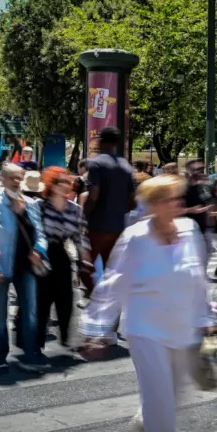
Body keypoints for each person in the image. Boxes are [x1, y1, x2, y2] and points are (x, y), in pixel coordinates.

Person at [79, 175, 215, 432]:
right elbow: (114, 282)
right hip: (145, 329)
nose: (175, 204)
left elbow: (198, 278)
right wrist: (97, 329)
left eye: (177, 198)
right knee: (161, 400)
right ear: (152, 205)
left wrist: (205, 319)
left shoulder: (190, 230)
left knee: (173, 398)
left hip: (182, 328)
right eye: (167, 199)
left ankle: (147, 422)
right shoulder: (136, 237)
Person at [0, 163, 50, 373]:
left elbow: (41, 233)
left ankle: (31, 353)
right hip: (1, 266)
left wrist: (39, 250)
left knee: (30, 312)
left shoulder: (31, 203)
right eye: (12, 177)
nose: (16, 181)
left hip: (27, 266)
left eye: (19, 177)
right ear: (2, 179)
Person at [38, 167, 91, 348]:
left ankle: (65, 337)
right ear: (52, 185)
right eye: (62, 182)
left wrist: (84, 256)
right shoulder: (40, 206)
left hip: (61, 254)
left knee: (66, 298)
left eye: (68, 182)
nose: (67, 185)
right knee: (42, 300)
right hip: (42, 254)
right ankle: (37, 340)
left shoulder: (75, 209)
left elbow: (80, 237)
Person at [82, 127, 135, 302]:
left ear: (100, 141)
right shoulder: (126, 166)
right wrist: (119, 211)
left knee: (84, 264)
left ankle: (96, 296)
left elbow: (93, 196)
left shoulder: (95, 164)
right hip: (118, 226)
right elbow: (133, 199)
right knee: (112, 268)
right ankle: (111, 301)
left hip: (96, 225)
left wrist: (83, 215)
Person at [184, 159, 214, 268]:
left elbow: (208, 200)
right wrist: (190, 210)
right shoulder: (182, 187)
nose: (199, 172)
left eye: (201, 169)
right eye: (195, 169)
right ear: (188, 170)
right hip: (187, 229)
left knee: (205, 255)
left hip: (203, 227)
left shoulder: (203, 186)